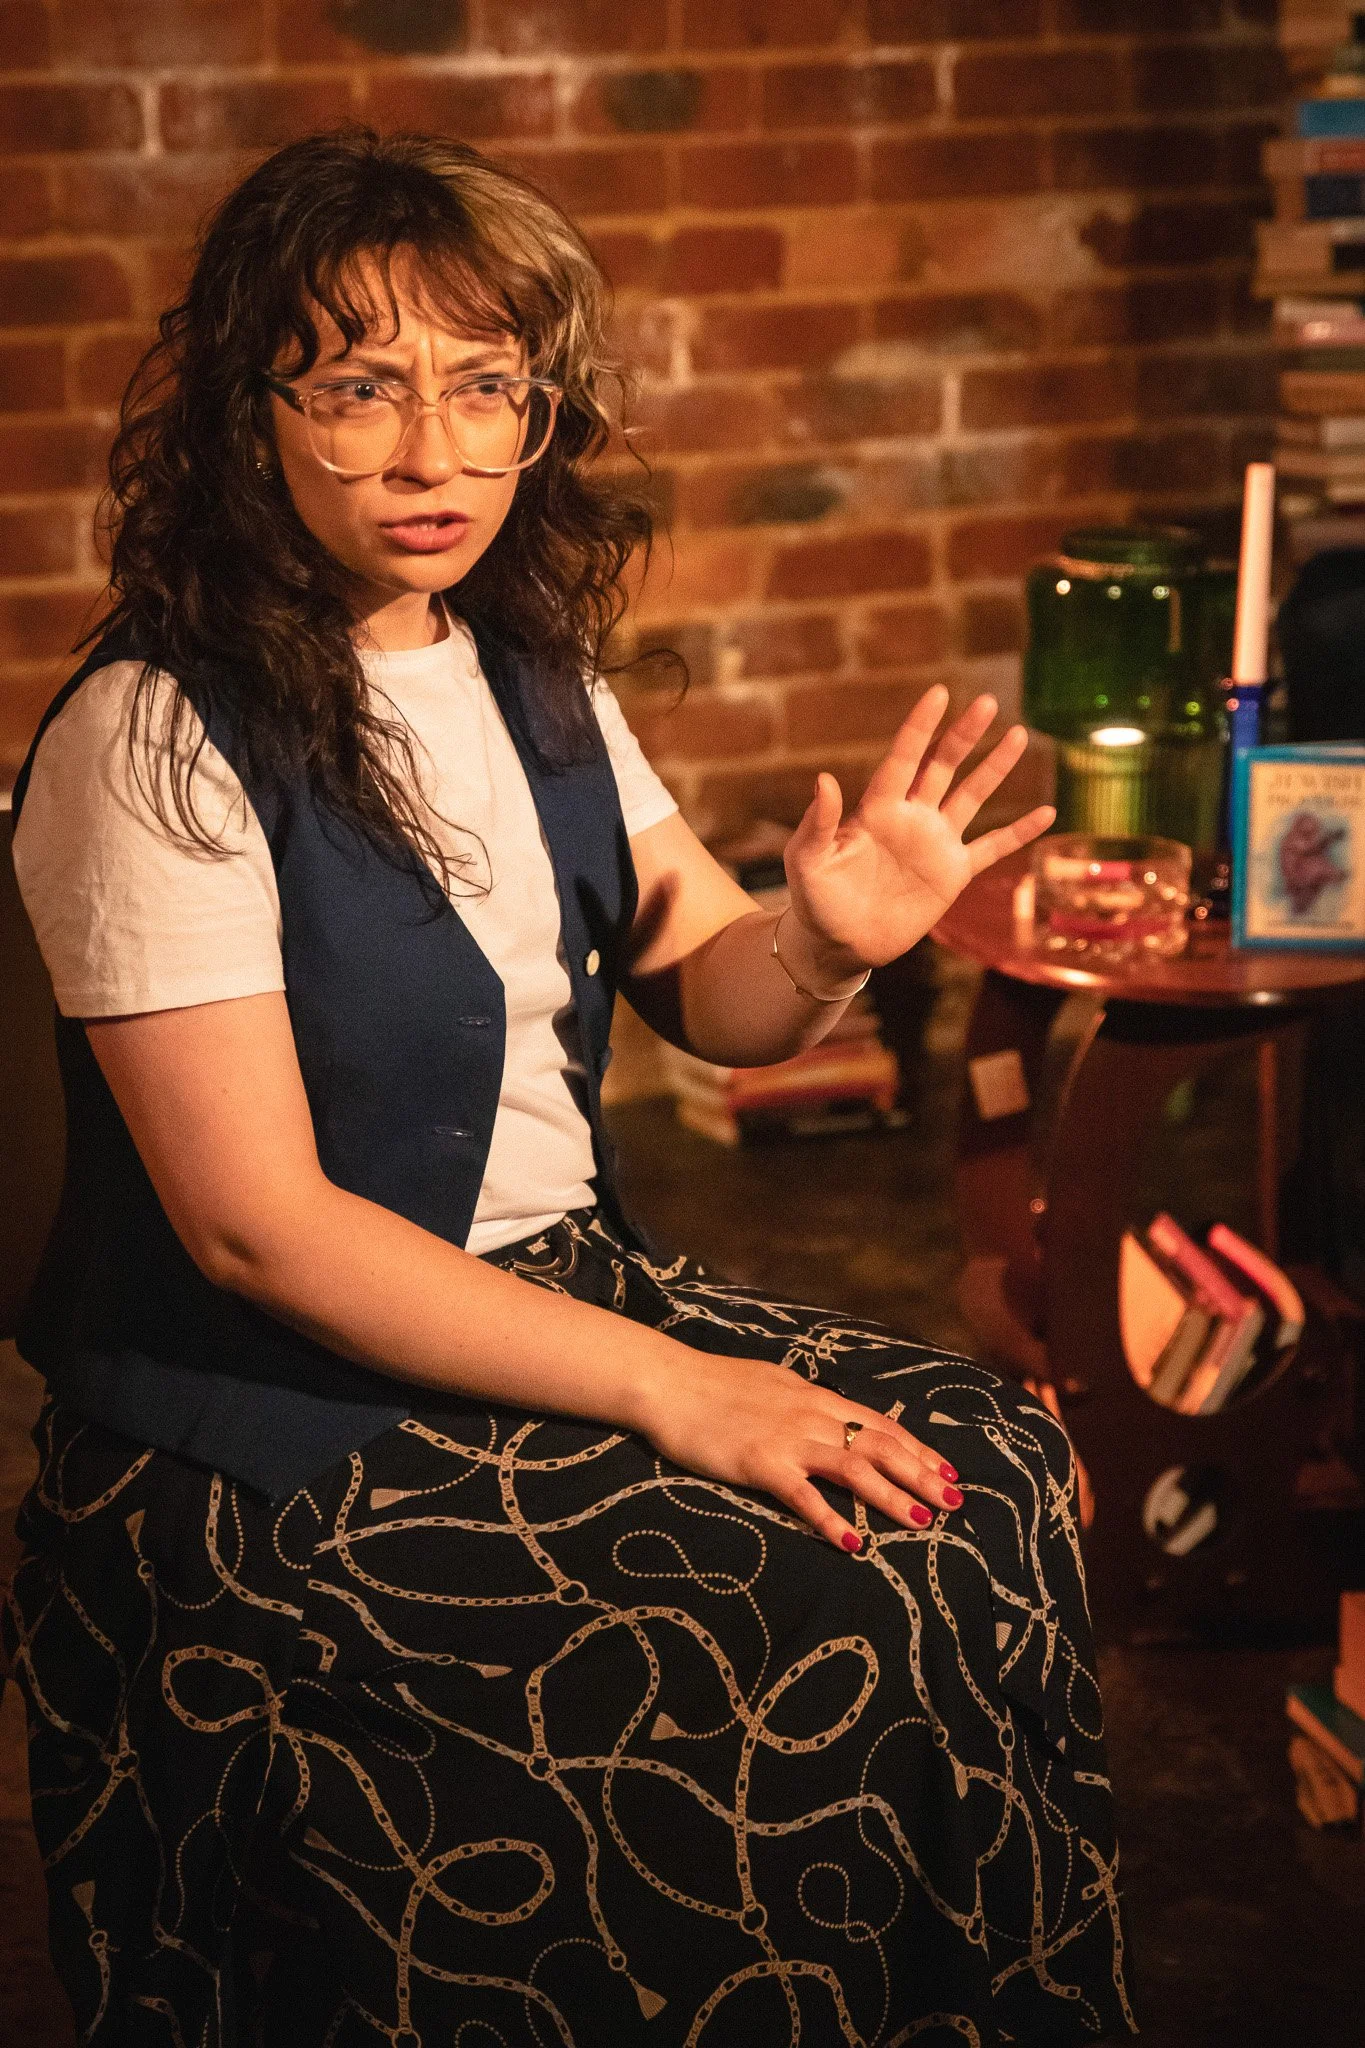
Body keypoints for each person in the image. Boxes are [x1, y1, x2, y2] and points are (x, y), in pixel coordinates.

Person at [2, 129, 1135, 2048]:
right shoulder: (156, 735)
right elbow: (254, 1232)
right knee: (799, 1608)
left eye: (484, 386)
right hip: (272, 1420)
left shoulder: (524, 673)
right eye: (362, 387)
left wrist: (836, 933)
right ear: (249, 411)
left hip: (556, 1301)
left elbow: (719, 995)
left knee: (989, 1477)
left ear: (545, 406)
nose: (433, 452)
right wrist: (683, 1391)